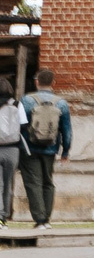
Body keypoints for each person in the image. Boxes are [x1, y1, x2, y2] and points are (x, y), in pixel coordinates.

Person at [19, 69, 71, 229]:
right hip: (51, 148)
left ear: (36, 81)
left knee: (33, 182)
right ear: (53, 83)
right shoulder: (61, 103)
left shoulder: (26, 100)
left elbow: (20, 125)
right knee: (48, 182)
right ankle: (46, 219)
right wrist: (65, 151)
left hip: (29, 148)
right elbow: (66, 130)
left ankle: (39, 219)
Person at [0, 90, 21, 223]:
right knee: (8, 184)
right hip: (13, 148)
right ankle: (4, 216)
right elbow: (24, 124)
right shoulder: (17, 104)